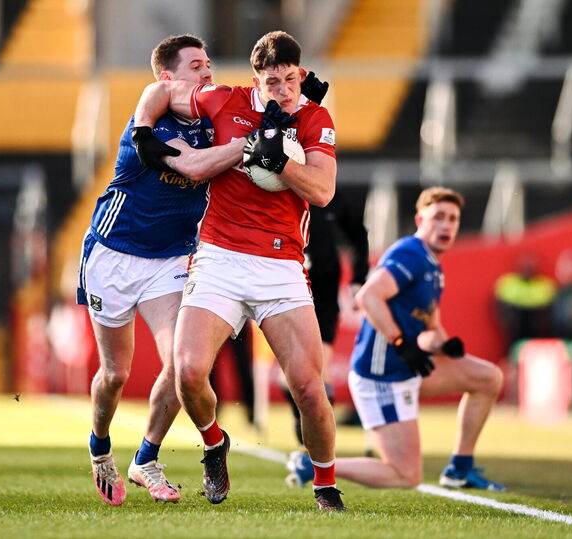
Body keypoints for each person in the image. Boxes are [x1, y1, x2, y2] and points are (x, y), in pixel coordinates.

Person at [132, 30, 344, 510]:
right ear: (256, 80)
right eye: (272, 81)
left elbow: (323, 190)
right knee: (187, 372)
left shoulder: (315, 117)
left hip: (281, 263)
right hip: (220, 255)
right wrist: (144, 127)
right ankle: (214, 443)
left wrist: (281, 165)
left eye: (291, 79)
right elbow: (163, 87)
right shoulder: (225, 100)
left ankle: (326, 485)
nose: (283, 90)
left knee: (309, 387)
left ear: (302, 75)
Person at [78, 34, 250, 506]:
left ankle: (147, 459)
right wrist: (248, 146)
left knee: (182, 365)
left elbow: (250, 112)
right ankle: (100, 447)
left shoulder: (214, 122)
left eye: (209, 64)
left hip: (171, 259)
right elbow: (194, 168)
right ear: (168, 78)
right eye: (196, 66)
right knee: (115, 373)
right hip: (113, 254)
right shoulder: (146, 128)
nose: (208, 73)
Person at [286, 187, 506, 491]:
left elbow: (431, 330)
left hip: (405, 368)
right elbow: (369, 296)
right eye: (438, 217)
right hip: (382, 377)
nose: (446, 225)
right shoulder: (410, 253)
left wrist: (442, 345)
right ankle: (313, 465)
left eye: (453, 219)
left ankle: (460, 469)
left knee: (488, 378)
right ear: (419, 219)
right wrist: (402, 344)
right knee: (406, 476)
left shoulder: (431, 264)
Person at [282, 190, 369, 446]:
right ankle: (303, 418)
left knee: (317, 368)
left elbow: (358, 235)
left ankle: (318, 439)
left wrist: (358, 278)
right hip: (284, 285)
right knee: (291, 374)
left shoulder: (330, 194)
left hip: (324, 290)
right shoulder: (278, 188)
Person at [494, 252, 556, 351]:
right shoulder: (508, 283)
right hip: (514, 332)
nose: (527, 270)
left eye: (530, 266)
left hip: (537, 333)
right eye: (525, 266)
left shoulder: (545, 285)